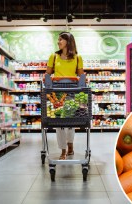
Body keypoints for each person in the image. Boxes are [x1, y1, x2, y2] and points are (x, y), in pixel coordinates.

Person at [46, 31, 84, 160]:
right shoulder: (54, 56)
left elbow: (81, 75)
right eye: (58, 40)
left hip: (73, 91)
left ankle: (70, 144)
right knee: (59, 122)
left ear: (68, 41)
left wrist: (84, 80)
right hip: (57, 92)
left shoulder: (78, 57)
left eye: (61, 40)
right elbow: (48, 74)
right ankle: (63, 150)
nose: (58, 42)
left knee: (70, 121)